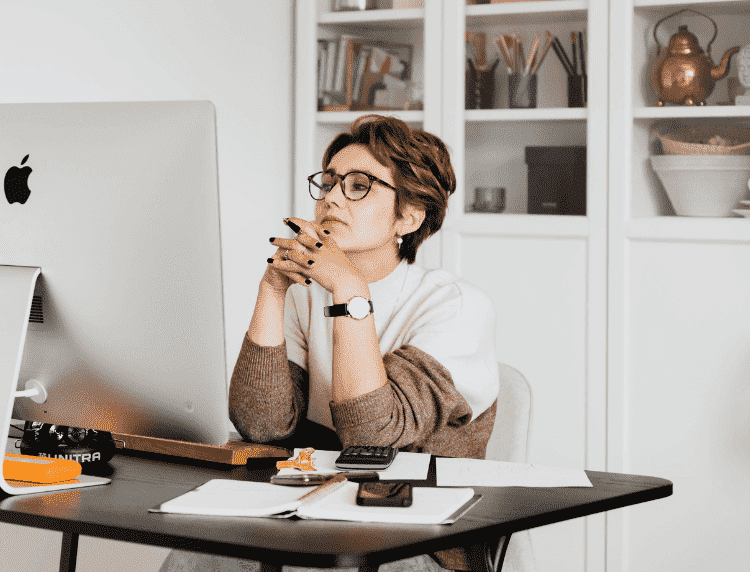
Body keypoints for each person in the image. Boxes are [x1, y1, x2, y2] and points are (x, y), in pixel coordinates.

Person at [160, 115, 499, 572]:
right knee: (194, 555)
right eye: (330, 182)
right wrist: (272, 289)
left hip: (416, 535)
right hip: (308, 510)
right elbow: (263, 424)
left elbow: (371, 440)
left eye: (359, 185)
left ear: (409, 216)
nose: (332, 197)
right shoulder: (307, 294)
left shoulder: (457, 306)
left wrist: (351, 292)